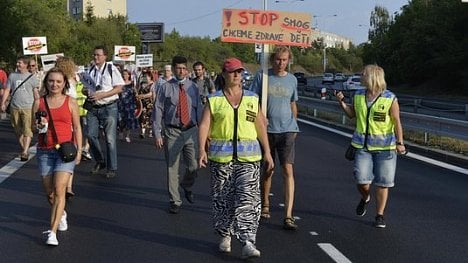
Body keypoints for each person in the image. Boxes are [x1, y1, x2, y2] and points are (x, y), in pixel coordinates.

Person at [198, 58, 274, 259]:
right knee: (223, 199)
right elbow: (204, 125)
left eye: (239, 72)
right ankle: (225, 234)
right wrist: (201, 150)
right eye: (232, 72)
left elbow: (260, 126)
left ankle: (248, 241)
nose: (236, 75)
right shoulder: (214, 99)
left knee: (248, 198)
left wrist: (267, 151)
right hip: (221, 159)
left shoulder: (251, 98)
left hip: (249, 158)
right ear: (224, 74)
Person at [334, 64, 406, 228]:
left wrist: (400, 142)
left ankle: (379, 215)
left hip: (385, 148)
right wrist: (342, 103)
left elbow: (396, 122)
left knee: (383, 182)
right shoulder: (358, 95)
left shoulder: (390, 98)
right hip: (362, 147)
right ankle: (365, 197)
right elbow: (352, 114)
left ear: (373, 77)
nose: (361, 77)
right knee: (361, 180)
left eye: (363, 74)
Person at [250, 46, 300, 230]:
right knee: (268, 168)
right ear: (273, 59)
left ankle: (288, 215)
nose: (281, 63)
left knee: (288, 171)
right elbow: (252, 99)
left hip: (287, 130)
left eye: (285, 60)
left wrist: (294, 125)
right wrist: (259, 117)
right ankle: (265, 203)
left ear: (289, 60)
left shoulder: (292, 80)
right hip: (267, 131)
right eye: (278, 59)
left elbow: (293, 103)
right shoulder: (262, 77)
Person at [32, 67, 82, 246]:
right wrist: (39, 126)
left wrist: (80, 151)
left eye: (58, 82)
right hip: (45, 151)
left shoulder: (70, 102)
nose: (55, 84)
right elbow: (32, 127)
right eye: (51, 81)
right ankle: (62, 213)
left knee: (60, 190)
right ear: (46, 82)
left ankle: (52, 232)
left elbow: (77, 127)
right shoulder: (39, 103)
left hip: (65, 151)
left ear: (64, 84)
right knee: (50, 194)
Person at [153, 56, 202, 214]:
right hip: (172, 131)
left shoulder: (193, 87)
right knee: (172, 167)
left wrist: (203, 131)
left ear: (187, 70)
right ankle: (175, 200)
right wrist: (157, 133)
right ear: (173, 69)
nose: (181, 71)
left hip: (190, 130)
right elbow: (158, 110)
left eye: (183, 68)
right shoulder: (166, 87)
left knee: (194, 166)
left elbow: (198, 110)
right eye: (178, 68)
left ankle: (187, 185)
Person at [86, 45, 125, 178]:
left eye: (98, 55)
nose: (95, 57)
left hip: (109, 107)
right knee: (91, 135)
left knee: (110, 139)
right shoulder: (91, 69)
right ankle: (100, 161)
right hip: (93, 106)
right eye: (94, 55)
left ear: (105, 56)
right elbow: (86, 87)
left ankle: (112, 167)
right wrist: (86, 91)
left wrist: (102, 95)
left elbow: (119, 88)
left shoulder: (111, 68)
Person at [0, 56, 40, 161]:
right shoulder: (12, 76)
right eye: (17, 63)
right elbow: (7, 90)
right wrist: (3, 103)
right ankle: (24, 148)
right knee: (17, 129)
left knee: (27, 129)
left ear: (26, 65)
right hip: (14, 106)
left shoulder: (32, 78)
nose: (17, 64)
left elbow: (36, 95)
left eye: (20, 63)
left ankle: (25, 151)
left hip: (27, 107)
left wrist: (36, 108)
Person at [118, 69, 139, 142]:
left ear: (129, 75)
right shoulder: (119, 83)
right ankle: (121, 132)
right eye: (124, 74)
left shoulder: (132, 84)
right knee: (121, 119)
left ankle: (127, 135)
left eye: (126, 74)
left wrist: (137, 105)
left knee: (129, 120)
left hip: (130, 105)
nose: (125, 76)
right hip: (121, 104)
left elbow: (135, 94)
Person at [137, 72, 154, 138]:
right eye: (144, 76)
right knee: (142, 117)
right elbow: (138, 91)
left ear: (150, 77)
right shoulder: (142, 84)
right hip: (142, 104)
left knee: (150, 117)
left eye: (146, 76)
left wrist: (143, 96)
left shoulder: (153, 84)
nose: (145, 78)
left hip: (150, 103)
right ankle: (142, 132)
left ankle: (150, 131)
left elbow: (151, 93)